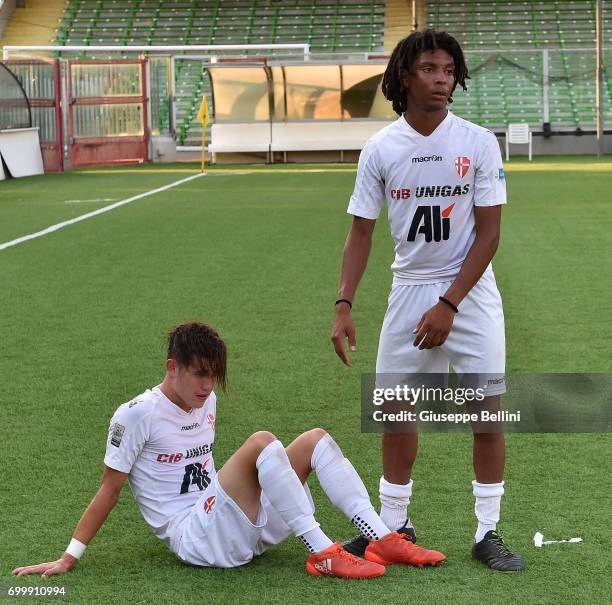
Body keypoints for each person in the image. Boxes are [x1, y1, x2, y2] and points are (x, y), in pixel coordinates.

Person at [13, 321, 445, 580]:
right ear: (172, 368)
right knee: (261, 442)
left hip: (235, 526)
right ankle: (323, 553)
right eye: (200, 375)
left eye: (213, 377)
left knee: (314, 439)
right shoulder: (135, 415)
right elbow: (109, 490)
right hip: (193, 537)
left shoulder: (207, 399)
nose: (208, 386)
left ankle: (382, 538)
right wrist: (70, 556)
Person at [331, 29, 524, 572]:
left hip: (470, 291)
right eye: (430, 69)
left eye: (448, 70)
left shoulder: (478, 142)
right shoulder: (381, 149)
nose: (442, 79)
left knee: (486, 411)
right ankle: (394, 525)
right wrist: (344, 304)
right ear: (404, 77)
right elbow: (361, 233)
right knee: (396, 411)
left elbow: (489, 236)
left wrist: (450, 304)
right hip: (409, 290)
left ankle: (488, 532)